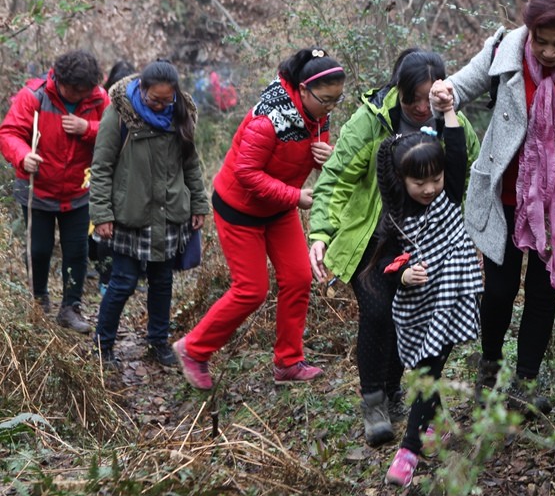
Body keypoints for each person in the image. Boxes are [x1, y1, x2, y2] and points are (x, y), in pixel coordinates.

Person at [430, 0, 555, 414]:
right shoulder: (504, 50)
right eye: (542, 41)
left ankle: (525, 384)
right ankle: (489, 369)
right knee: (498, 291)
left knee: (542, 292)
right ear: (529, 29)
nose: (550, 52)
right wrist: (443, 95)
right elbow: (459, 87)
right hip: (505, 193)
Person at [308, 50, 481, 446]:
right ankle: (374, 402)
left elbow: (470, 169)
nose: (420, 108)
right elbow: (336, 178)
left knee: (410, 316)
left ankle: (393, 390)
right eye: (411, 99)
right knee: (377, 312)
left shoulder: (451, 118)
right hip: (373, 239)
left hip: (426, 242)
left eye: (427, 98)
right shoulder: (372, 120)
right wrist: (320, 233)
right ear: (397, 89)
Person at [172, 47, 344, 390]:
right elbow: (246, 172)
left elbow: (311, 157)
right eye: (325, 100)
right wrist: (296, 196)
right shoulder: (268, 120)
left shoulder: (318, 115)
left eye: (336, 100)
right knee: (251, 290)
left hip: (278, 208)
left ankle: (288, 363)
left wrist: (328, 157)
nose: (330, 108)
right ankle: (193, 349)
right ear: (304, 90)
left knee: (298, 278)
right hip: (240, 210)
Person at [371, 99, 483, 488]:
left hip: (451, 299)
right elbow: (386, 264)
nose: (430, 188)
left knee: (430, 370)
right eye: (420, 183)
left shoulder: (447, 196)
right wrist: (403, 275)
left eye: (435, 179)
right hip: (417, 306)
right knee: (422, 368)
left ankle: (409, 450)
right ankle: (436, 426)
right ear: (401, 180)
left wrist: (449, 112)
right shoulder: (397, 217)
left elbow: (458, 156)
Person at [90, 60, 209, 368]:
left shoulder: (181, 113)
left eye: (167, 100)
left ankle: (158, 342)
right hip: (131, 212)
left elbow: (190, 164)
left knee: (162, 281)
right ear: (141, 89)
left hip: (169, 213)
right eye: (155, 99)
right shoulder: (119, 114)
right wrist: (102, 214)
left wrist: (199, 204)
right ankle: (103, 346)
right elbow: (101, 167)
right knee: (122, 282)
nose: (160, 105)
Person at [0, 49, 109, 333]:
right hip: (37, 189)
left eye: (84, 91)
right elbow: (9, 133)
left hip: (78, 190)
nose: (79, 96)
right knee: (38, 249)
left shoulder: (98, 98)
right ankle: (39, 302)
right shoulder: (34, 96)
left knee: (77, 251)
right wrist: (23, 156)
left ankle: (70, 308)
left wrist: (88, 128)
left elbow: (114, 132)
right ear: (59, 81)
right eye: (74, 90)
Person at [88, 60, 136, 295]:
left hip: (128, 177)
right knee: (101, 229)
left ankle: (119, 275)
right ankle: (104, 277)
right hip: (100, 173)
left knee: (120, 229)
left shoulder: (140, 106)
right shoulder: (104, 103)